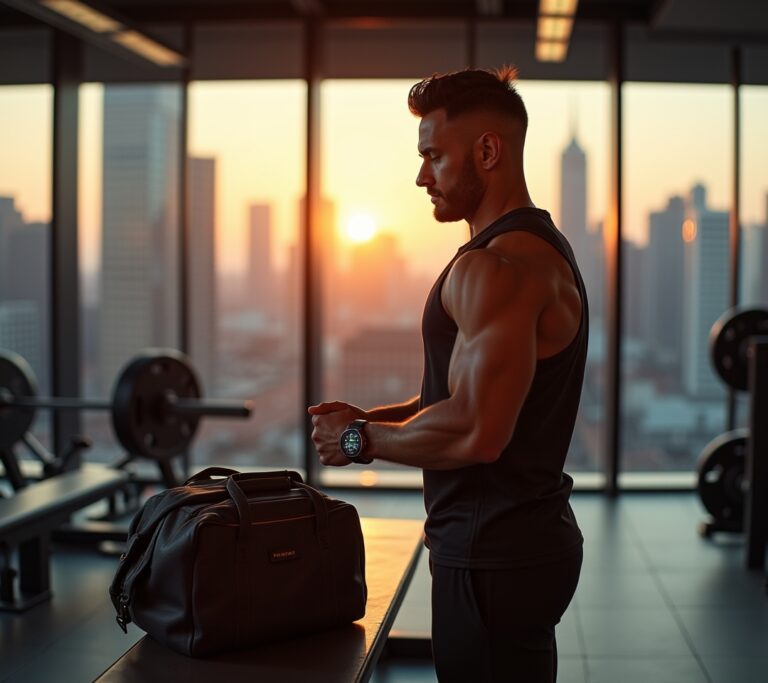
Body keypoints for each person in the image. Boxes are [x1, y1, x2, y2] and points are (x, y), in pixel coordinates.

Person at [309, 66, 587, 683]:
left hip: (492, 555)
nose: (420, 174)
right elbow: (461, 396)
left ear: (487, 150)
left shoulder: (496, 267)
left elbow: (478, 431)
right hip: (523, 544)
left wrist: (360, 442)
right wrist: (373, 418)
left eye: (434, 154)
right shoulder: (538, 248)